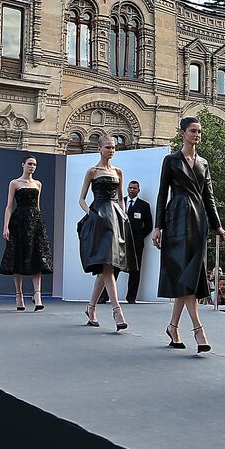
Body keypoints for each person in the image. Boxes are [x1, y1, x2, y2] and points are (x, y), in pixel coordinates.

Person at [153, 117, 225, 352]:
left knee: (190, 276)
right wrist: (158, 226)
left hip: (198, 222)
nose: (197, 134)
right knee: (185, 276)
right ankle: (198, 329)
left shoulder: (204, 162)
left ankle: (173, 326)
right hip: (175, 219)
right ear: (183, 133)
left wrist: (218, 226)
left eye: (199, 131)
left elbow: (209, 197)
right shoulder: (171, 160)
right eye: (193, 131)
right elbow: (161, 194)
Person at [77, 136, 132, 331]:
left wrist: (124, 215)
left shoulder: (118, 171)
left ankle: (91, 308)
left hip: (115, 219)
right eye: (108, 147)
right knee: (107, 265)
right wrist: (90, 214)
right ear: (99, 148)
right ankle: (117, 310)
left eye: (114, 147)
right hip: (98, 218)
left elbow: (120, 198)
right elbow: (81, 199)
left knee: (108, 266)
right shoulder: (92, 171)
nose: (111, 150)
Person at [0, 156, 54, 311]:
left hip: (35, 222)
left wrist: (40, 225)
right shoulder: (15, 183)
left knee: (37, 256)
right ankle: (19, 295)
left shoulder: (38, 184)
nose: (32, 167)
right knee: (18, 257)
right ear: (23, 165)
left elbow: (38, 206)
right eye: (30, 164)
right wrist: (5, 226)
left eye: (35, 164)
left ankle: (38, 296)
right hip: (18, 222)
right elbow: (9, 206)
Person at [123, 180, 153, 304]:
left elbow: (149, 226)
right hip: (120, 241)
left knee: (135, 270)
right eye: (130, 188)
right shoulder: (120, 202)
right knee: (112, 268)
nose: (132, 190)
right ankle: (104, 296)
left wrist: (139, 236)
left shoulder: (144, 206)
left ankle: (131, 297)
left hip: (136, 243)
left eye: (134, 188)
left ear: (138, 190)